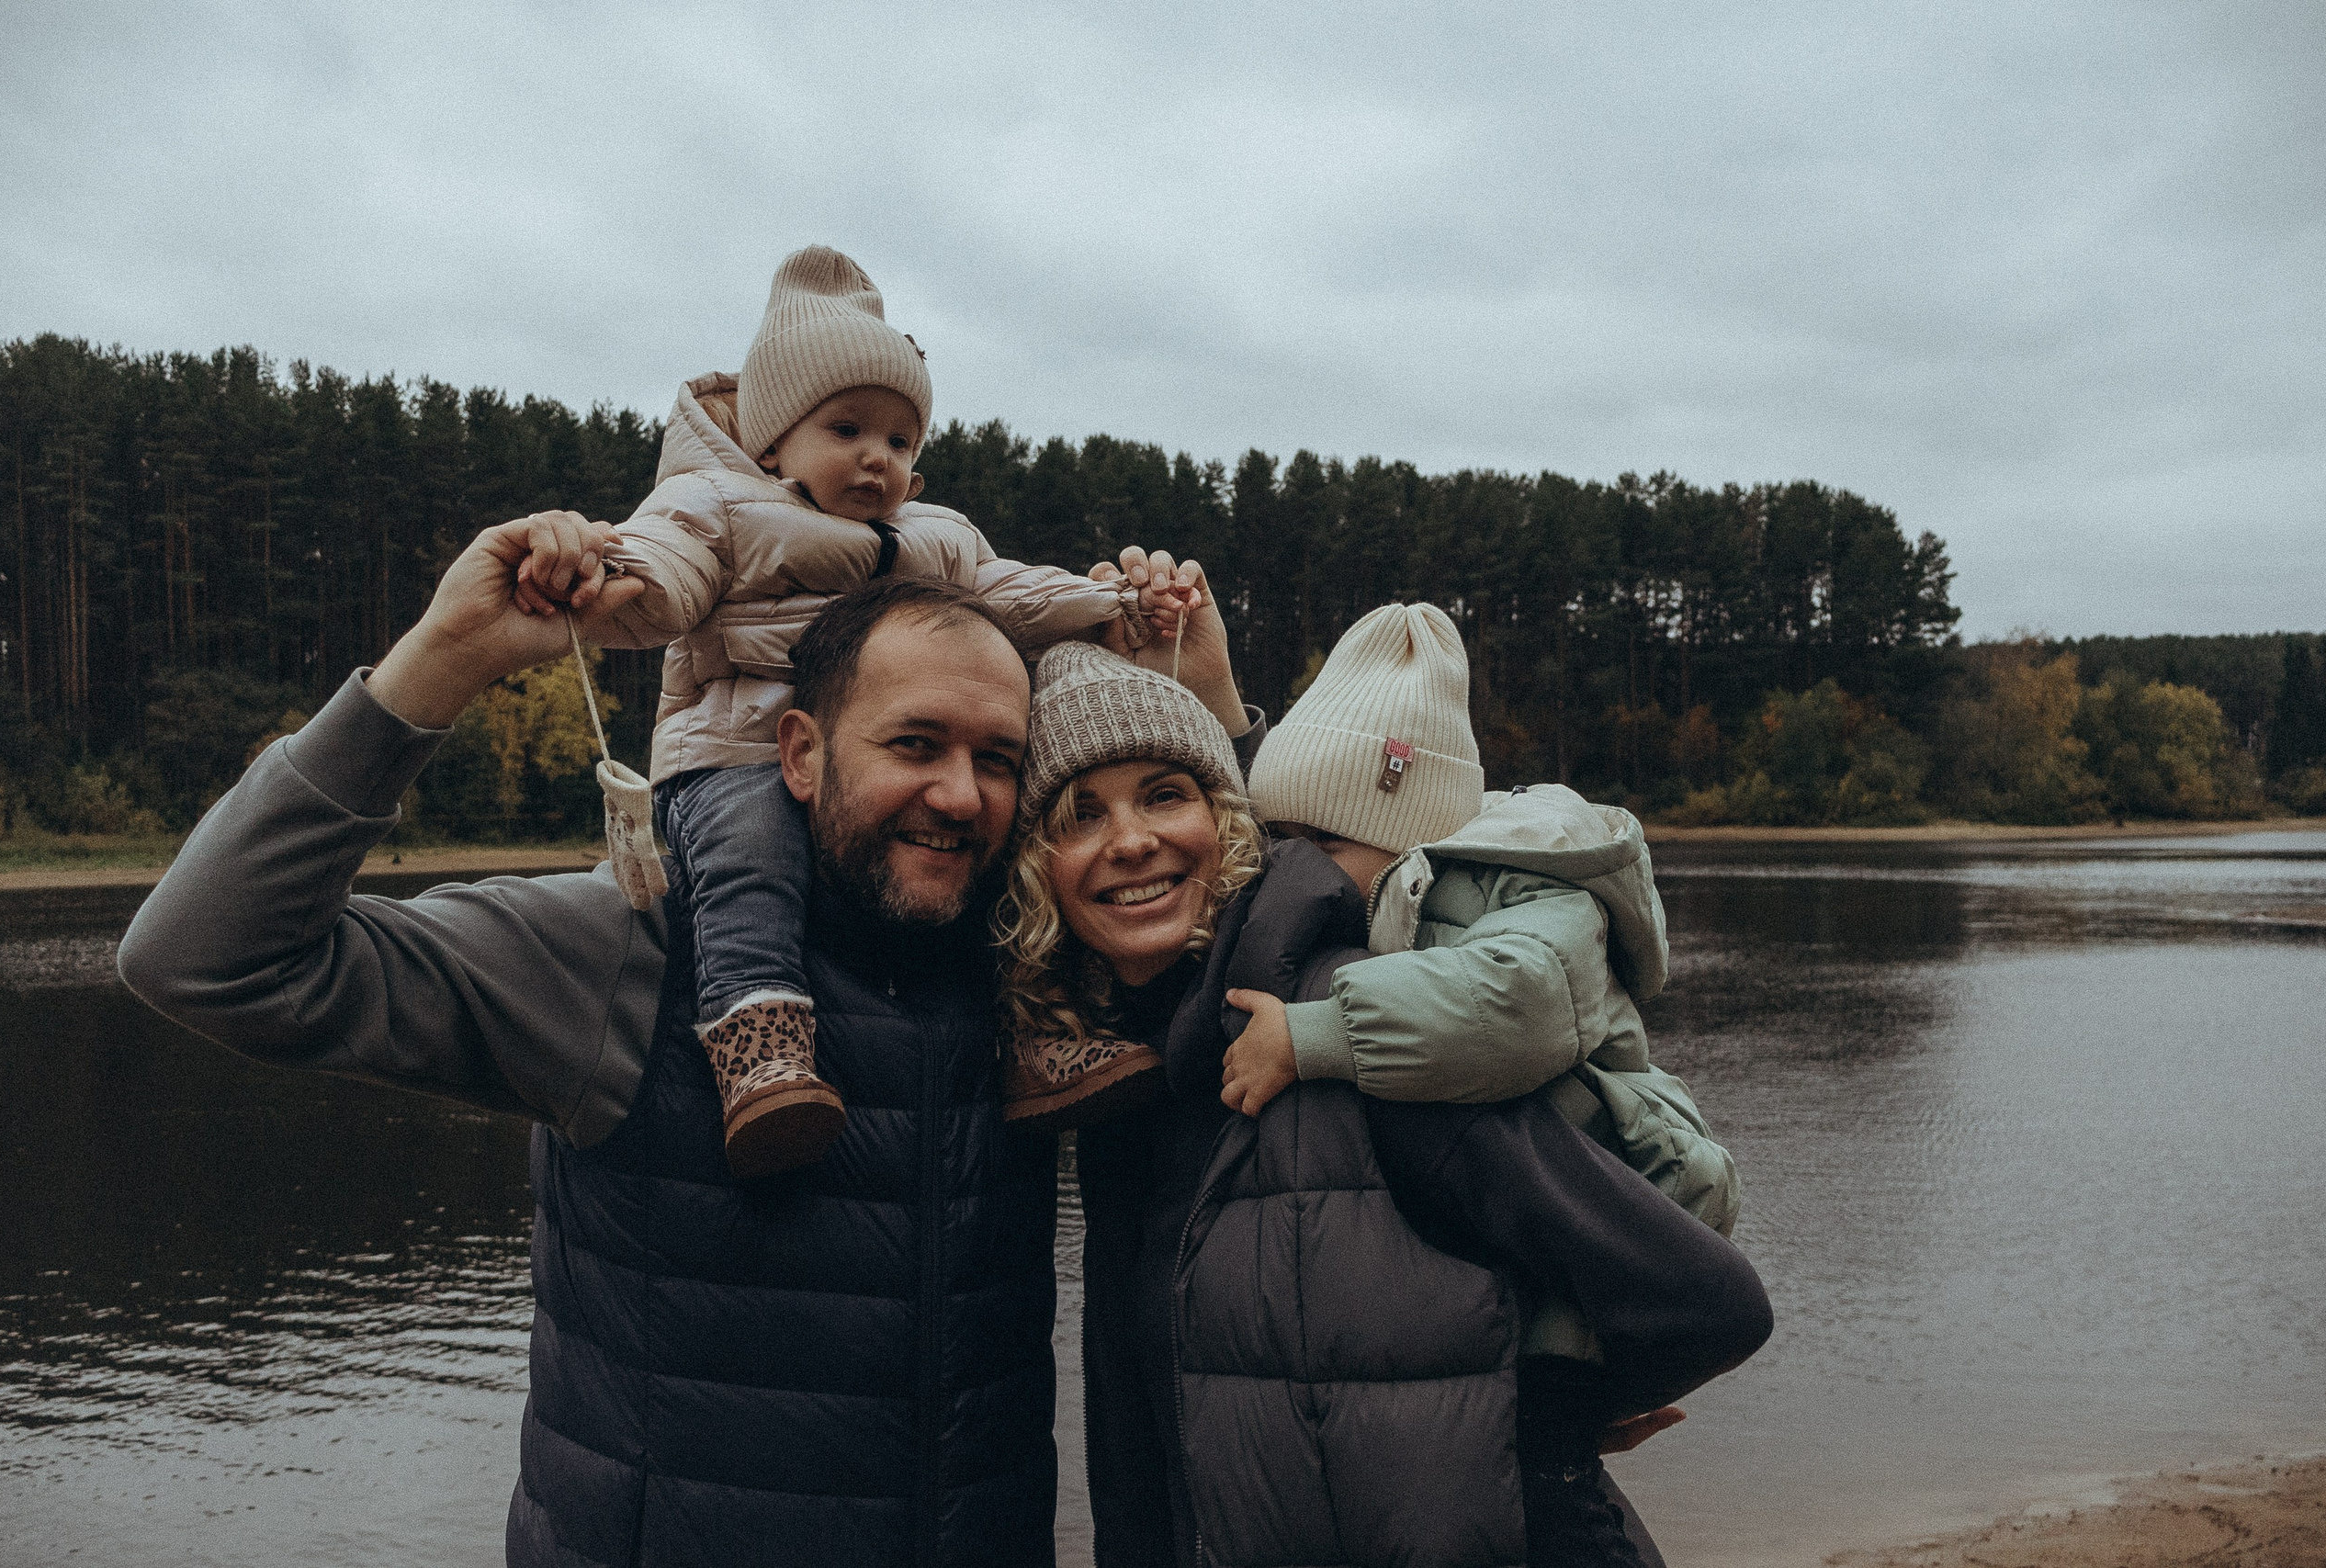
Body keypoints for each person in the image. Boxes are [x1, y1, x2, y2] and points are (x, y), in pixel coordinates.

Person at [118, 513, 1233, 1567]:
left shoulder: (1029, 974)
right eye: (914, 743)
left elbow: (1278, 927)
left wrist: (1215, 702)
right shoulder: (630, 951)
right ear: (799, 753)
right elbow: (205, 960)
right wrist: (442, 662)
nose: (958, 794)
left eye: (998, 758)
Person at [989, 610, 1773, 1568]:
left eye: (1165, 795)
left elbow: (1705, 1298)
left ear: (1224, 824)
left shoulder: (1351, 1034)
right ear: (1031, 869)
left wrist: (1551, 1405)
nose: (1130, 841)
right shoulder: (1118, 1079)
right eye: (1077, 815)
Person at [574, 243, 1169, 1179]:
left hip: (880, 768)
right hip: (736, 753)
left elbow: (1011, 597)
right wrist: (610, 581)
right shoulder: (719, 503)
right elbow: (669, 570)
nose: (875, 459)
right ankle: (759, 1045)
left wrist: (1112, 606)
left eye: (899, 442)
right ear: (775, 442)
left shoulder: (935, 537)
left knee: (1000, 850)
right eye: (846, 428)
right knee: (752, 861)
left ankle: (1028, 1034)